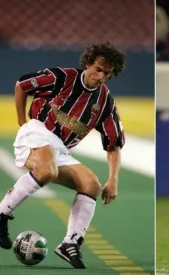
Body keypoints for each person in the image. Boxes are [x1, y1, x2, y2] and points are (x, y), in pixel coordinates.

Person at [0, 42, 126, 269]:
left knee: (91, 184)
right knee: (46, 171)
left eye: (107, 74)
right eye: (98, 69)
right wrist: (21, 122)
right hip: (37, 131)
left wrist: (113, 179)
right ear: (88, 63)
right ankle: (1, 215)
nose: (101, 76)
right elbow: (22, 84)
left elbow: (113, 144)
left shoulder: (105, 101)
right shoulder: (63, 77)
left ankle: (71, 242)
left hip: (60, 149)